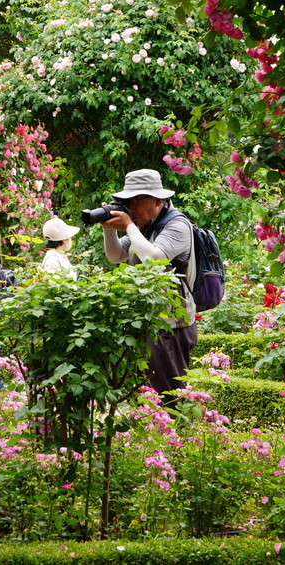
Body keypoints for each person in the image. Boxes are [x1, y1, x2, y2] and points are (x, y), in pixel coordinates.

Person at [100, 168, 196, 400]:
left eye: (137, 200)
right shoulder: (145, 226)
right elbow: (116, 256)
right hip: (149, 322)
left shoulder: (177, 225)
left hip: (171, 325)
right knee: (149, 395)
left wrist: (129, 227)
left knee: (170, 397)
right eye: (127, 201)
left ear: (158, 200)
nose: (131, 207)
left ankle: (179, 436)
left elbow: (156, 257)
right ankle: (158, 435)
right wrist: (108, 229)